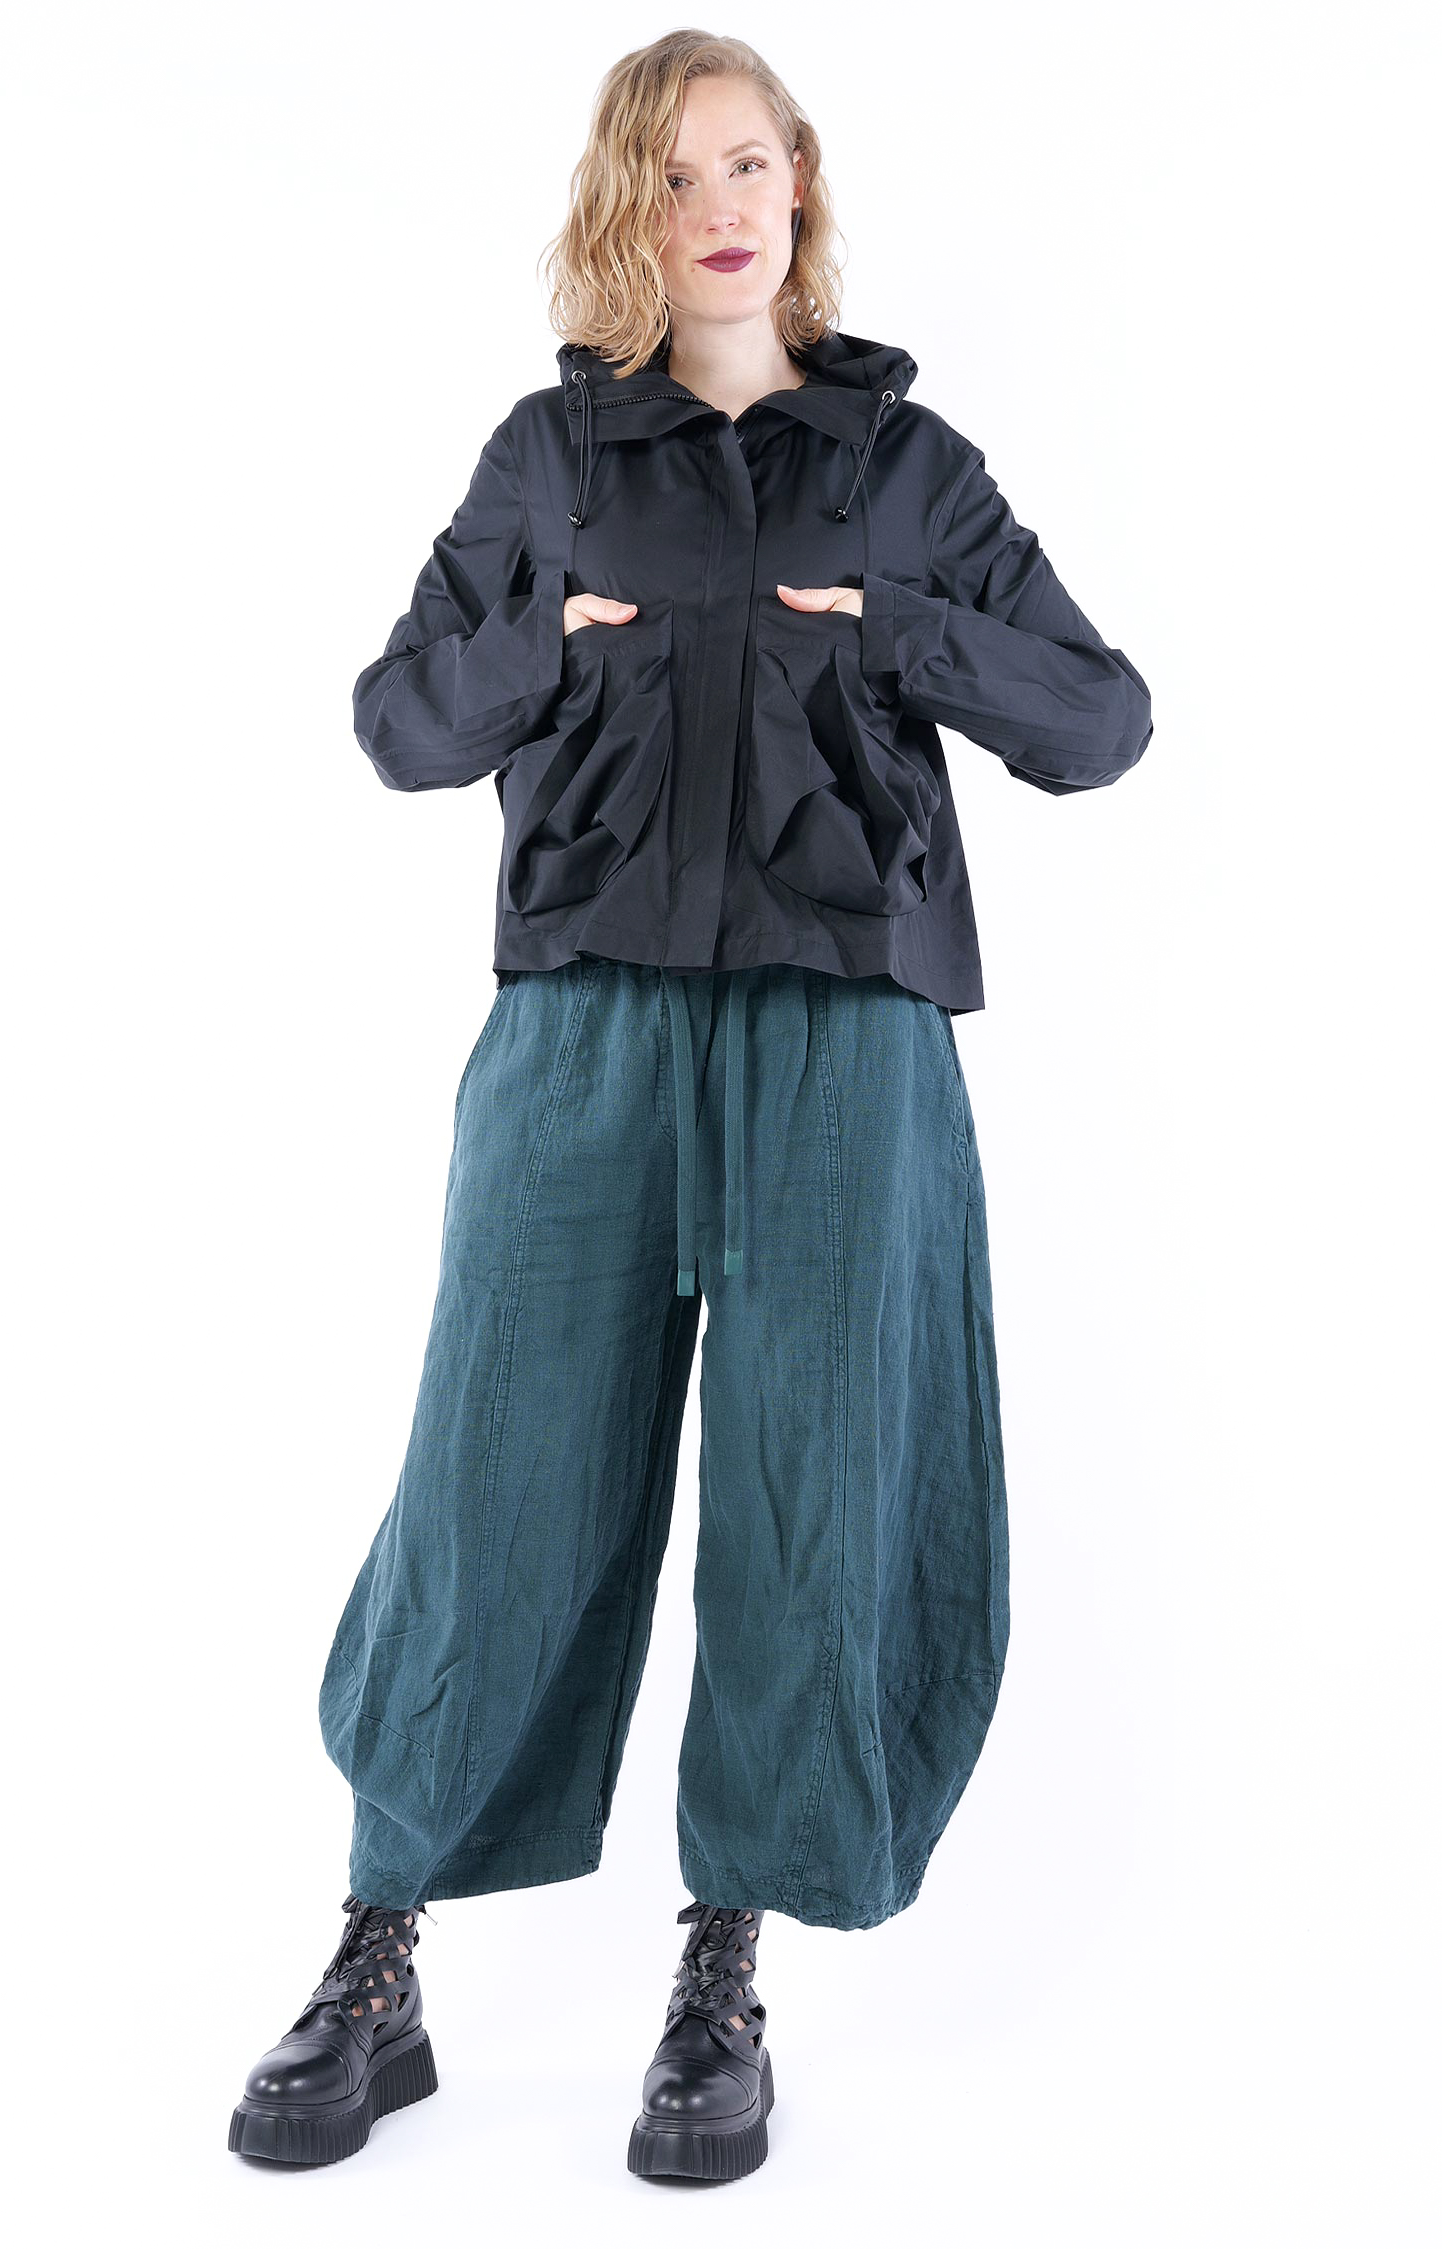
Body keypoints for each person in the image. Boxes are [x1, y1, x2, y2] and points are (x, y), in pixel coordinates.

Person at [228, 30, 1153, 2184]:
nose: (715, 207)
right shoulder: (553, 454)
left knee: (819, 1481)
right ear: (624, 213)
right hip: (584, 1030)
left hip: (848, 1038)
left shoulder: (906, 467)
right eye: (670, 175)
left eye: (745, 163)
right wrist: (544, 646)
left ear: (798, 182)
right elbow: (396, 723)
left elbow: (1104, 722)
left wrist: (908, 633)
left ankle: (724, 1965)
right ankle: (381, 1947)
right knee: (496, 1463)